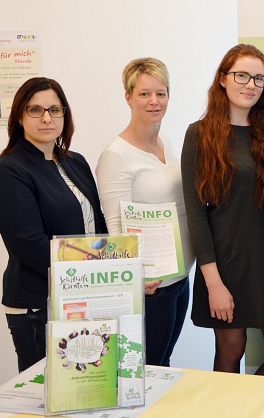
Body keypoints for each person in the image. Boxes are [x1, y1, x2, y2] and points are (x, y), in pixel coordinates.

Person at [181, 44, 264, 376]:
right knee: (231, 351)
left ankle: (250, 403)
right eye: (242, 76)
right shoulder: (200, 134)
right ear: (223, 79)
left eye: (259, 78)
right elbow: (196, 214)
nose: (251, 85)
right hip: (225, 264)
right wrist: (213, 284)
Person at [0, 77, 106, 372]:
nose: (47, 118)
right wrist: (94, 275)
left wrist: (117, 271)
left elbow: (97, 229)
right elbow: (32, 247)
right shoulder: (9, 171)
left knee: (85, 388)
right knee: (44, 394)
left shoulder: (75, 162)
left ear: (65, 114)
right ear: (19, 116)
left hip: (83, 297)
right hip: (39, 306)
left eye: (54, 109)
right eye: (35, 110)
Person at [96, 58, 195, 367]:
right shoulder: (116, 156)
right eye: (144, 94)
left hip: (180, 278)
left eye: (161, 93)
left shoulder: (166, 143)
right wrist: (133, 277)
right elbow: (115, 227)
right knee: (149, 371)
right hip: (151, 288)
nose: (154, 101)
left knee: (163, 364)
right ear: (128, 97)